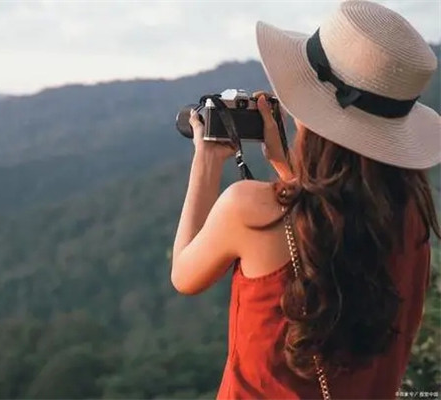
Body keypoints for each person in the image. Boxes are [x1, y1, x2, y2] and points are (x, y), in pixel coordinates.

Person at [170, 1, 440, 399]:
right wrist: (287, 169)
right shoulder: (410, 217)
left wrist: (206, 161)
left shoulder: (249, 210)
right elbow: (334, 229)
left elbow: (184, 274)